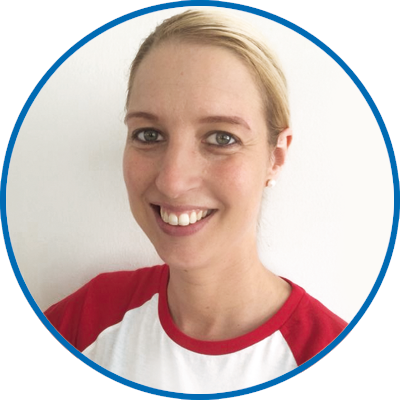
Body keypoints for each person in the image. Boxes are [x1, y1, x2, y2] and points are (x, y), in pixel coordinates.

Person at [45, 9, 347, 394]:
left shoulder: (335, 360)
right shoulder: (88, 319)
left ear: (276, 157)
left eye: (222, 138)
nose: (172, 182)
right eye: (149, 134)